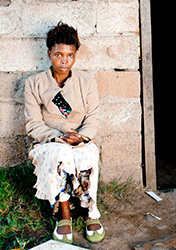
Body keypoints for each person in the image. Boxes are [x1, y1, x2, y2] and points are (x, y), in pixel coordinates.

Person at [24, 22, 105, 244]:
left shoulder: (86, 83)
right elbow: (33, 123)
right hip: (50, 142)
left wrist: (81, 137)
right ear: (49, 53)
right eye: (58, 54)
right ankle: (64, 213)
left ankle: (90, 211)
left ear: (75, 56)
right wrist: (55, 138)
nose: (64, 60)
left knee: (87, 155)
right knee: (61, 156)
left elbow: (93, 119)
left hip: (79, 139)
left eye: (69, 55)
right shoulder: (34, 84)